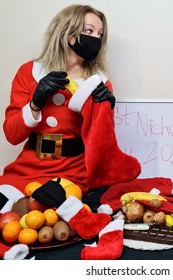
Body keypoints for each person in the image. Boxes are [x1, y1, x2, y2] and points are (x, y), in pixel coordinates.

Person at [0, 4, 141, 260]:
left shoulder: (98, 81)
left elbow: (102, 146)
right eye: (89, 30)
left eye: (99, 34)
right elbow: (11, 134)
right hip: (28, 168)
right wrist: (35, 102)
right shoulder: (29, 73)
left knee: (55, 223)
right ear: (67, 32)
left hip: (72, 173)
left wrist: (105, 109)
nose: (95, 38)